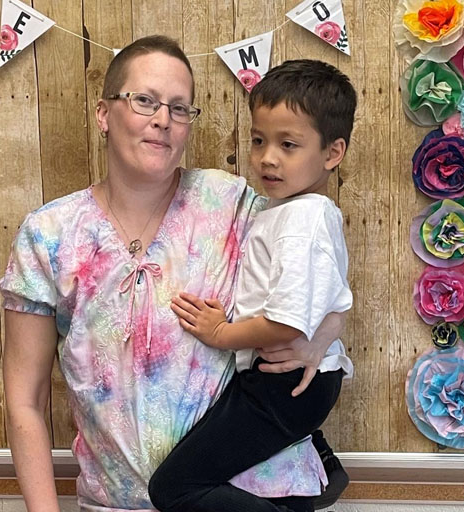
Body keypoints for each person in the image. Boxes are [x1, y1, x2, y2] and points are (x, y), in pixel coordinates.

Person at [0, 36, 344, 512]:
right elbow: (25, 400)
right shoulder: (51, 235)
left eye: (179, 108)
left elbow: (315, 269)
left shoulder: (232, 203)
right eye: (144, 100)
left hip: (255, 496)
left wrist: (324, 332)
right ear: (104, 113)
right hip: (115, 504)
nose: (163, 118)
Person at [147, 59, 357, 512]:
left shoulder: (305, 218)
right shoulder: (283, 211)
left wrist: (221, 334)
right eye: (259, 140)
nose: (268, 158)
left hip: (285, 384)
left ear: (332, 153)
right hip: (277, 383)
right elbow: (331, 300)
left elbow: (287, 321)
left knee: (174, 488)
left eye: (288, 145)